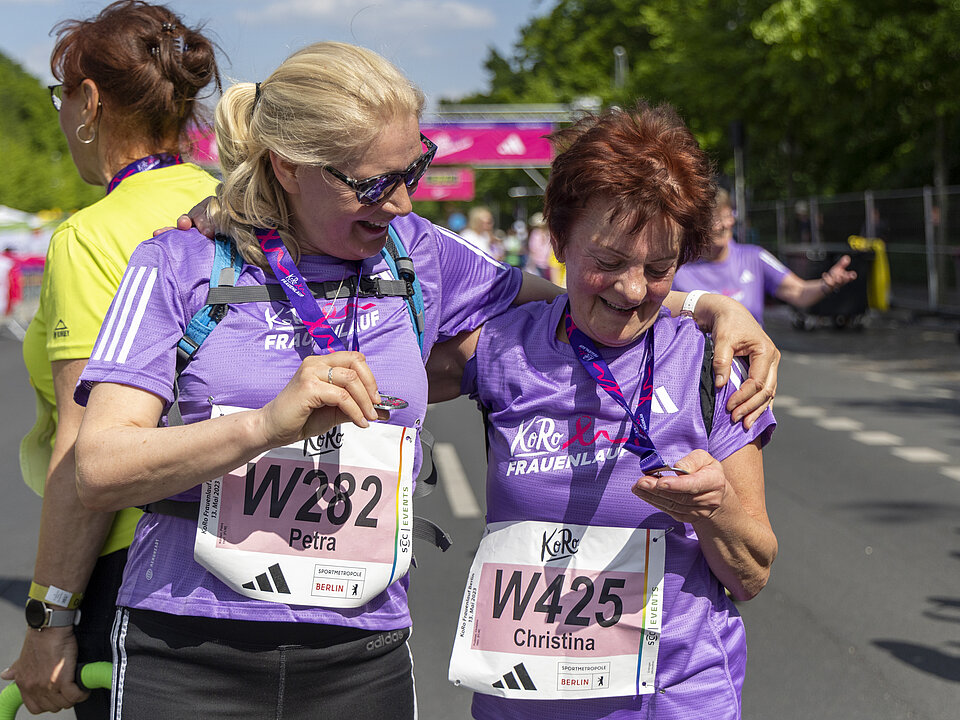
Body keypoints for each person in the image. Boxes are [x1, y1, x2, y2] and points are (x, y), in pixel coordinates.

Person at [73, 42, 778, 718]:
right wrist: (264, 427)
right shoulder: (179, 261)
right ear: (289, 166)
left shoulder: (414, 253)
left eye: (414, 170)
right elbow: (97, 468)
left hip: (360, 648)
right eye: (375, 184)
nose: (405, 202)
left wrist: (705, 304)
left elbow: (581, 297)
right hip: (191, 642)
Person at [441, 102, 778, 719]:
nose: (631, 291)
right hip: (526, 700)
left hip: (672, 700)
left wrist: (713, 506)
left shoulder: (715, 362)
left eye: (658, 269)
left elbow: (751, 571)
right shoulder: (503, 345)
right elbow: (373, 352)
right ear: (561, 240)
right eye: (607, 262)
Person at [1, 2, 220, 717]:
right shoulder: (242, 202)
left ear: (88, 102)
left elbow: (84, 445)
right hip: (258, 548)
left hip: (137, 565)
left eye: (61, 95)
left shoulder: (93, 237)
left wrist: (48, 620)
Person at [673, 187, 857, 324]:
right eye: (715, 219)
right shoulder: (677, 267)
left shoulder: (754, 257)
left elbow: (799, 291)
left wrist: (827, 284)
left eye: (728, 215)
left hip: (751, 371)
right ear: (696, 225)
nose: (726, 224)